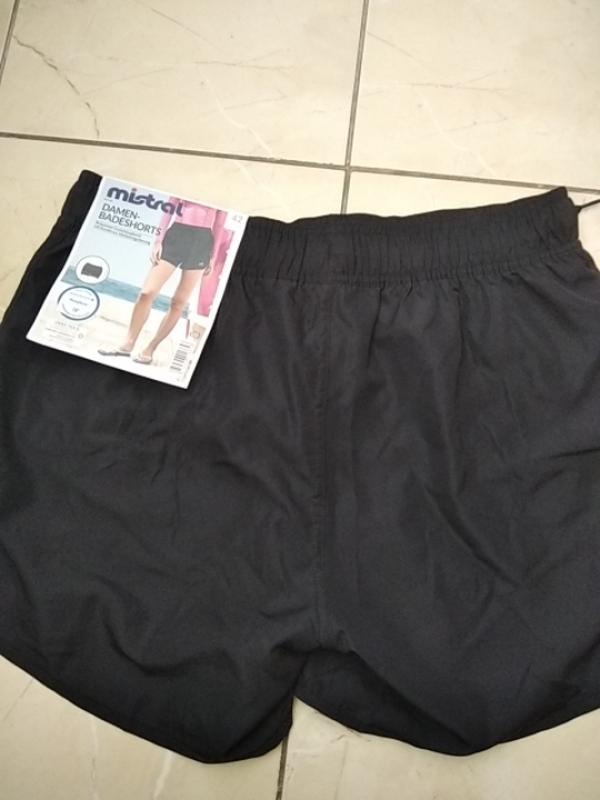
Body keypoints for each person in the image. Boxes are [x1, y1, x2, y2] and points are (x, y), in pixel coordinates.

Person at [98, 202, 214, 366]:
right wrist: (158, 241)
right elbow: (167, 210)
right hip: (176, 235)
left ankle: (150, 348)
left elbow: (219, 223)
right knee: (146, 293)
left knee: (179, 302)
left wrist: (212, 255)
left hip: (202, 242)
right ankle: (128, 343)